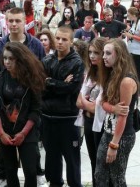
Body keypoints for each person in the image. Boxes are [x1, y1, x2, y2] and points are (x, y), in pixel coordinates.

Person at [0, 7, 46, 187]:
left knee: (31, 164)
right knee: (8, 168)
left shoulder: (36, 45)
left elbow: (42, 77)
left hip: (28, 117)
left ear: (24, 23)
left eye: (17, 21)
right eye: (10, 20)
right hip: (5, 119)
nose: (13, 24)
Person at [41, 26, 85, 187]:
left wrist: (49, 83)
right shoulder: (47, 60)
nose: (60, 42)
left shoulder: (77, 63)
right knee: (52, 158)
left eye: (64, 39)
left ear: (71, 42)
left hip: (68, 118)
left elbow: (72, 89)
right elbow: (39, 86)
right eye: (58, 38)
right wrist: (58, 84)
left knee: (72, 159)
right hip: (47, 117)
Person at [94, 39, 138, 187]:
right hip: (108, 132)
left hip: (122, 136)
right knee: (100, 175)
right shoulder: (111, 74)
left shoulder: (126, 80)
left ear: (119, 55)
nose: (104, 57)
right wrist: (113, 108)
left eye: (108, 53)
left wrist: (114, 145)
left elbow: (122, 116)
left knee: (116, 179)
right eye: (103, 53)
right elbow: (103, 103)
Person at [76, 37, 110, 187]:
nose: (92, 56)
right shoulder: (91, 72)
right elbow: (79, 102)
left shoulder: (109, 74)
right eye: (90, 52)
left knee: (103, 165)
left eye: (96, 52)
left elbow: (98, 107)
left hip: (103, 125)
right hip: (89, 122)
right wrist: (89, 104)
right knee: (93, 161)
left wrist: (88, 103)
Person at [123, 7, 140, 98]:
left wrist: (131, 35)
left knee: (139, 72)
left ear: (133, 15)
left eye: (129, 15)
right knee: (133, 71)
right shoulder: (134, 23)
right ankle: (136, 89)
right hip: (132, 50)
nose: (128, 17)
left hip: (138, 52)